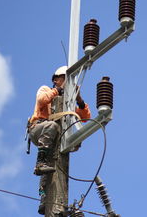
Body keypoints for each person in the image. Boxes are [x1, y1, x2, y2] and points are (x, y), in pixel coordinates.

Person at [28, 65, 91, 214]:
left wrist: (79, 100)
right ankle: (40, 162)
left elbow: (85, 118)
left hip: (53, 139)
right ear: (56, 80)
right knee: (52, 126)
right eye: (65, 80)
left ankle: (44, 199)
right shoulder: (46, 90)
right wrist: (58, 91)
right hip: (38, 129)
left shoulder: (66, 104)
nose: (68, 83)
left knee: (51, 166)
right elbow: (42, 100)